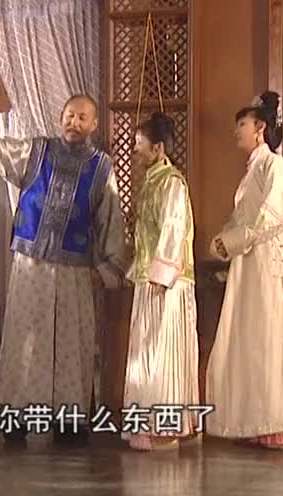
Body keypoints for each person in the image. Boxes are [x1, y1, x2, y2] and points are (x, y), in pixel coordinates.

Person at [0, 94, 129, 445]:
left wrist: (109, 268)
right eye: (69, 115)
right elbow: (4, 152)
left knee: (71, 344)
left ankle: (69, 421)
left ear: (94, 124)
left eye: (82, 118)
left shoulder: (102, 167)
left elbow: (111, 220)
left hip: (74, 269)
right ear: (60, 117)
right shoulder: (38, 152)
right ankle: (16, 419)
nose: (74, 123)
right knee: (24, 339)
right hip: (31, 265)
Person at [206, 91, 283, 450]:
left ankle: (278, 422)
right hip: (251, 267)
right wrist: (223, 241)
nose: (236, 131)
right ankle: (257, 421)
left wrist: (233, 240)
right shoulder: (253, 170)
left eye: (241, 124)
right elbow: (243, 218)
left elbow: (272, 217)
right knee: (254, 342)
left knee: (272, 341)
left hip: (270, 269)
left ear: (260, 128)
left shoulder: (277, 167)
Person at [121, 112, 200, 451]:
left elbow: (173, 227)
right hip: (148, 277)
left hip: (167, 282)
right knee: (145, 354)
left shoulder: (172, 183)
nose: (134, 150)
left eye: (139, 144)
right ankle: (147, 423)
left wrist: (161, 274)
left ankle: (166, 426)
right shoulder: (151, 182)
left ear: (158, 148)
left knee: (165, 352)